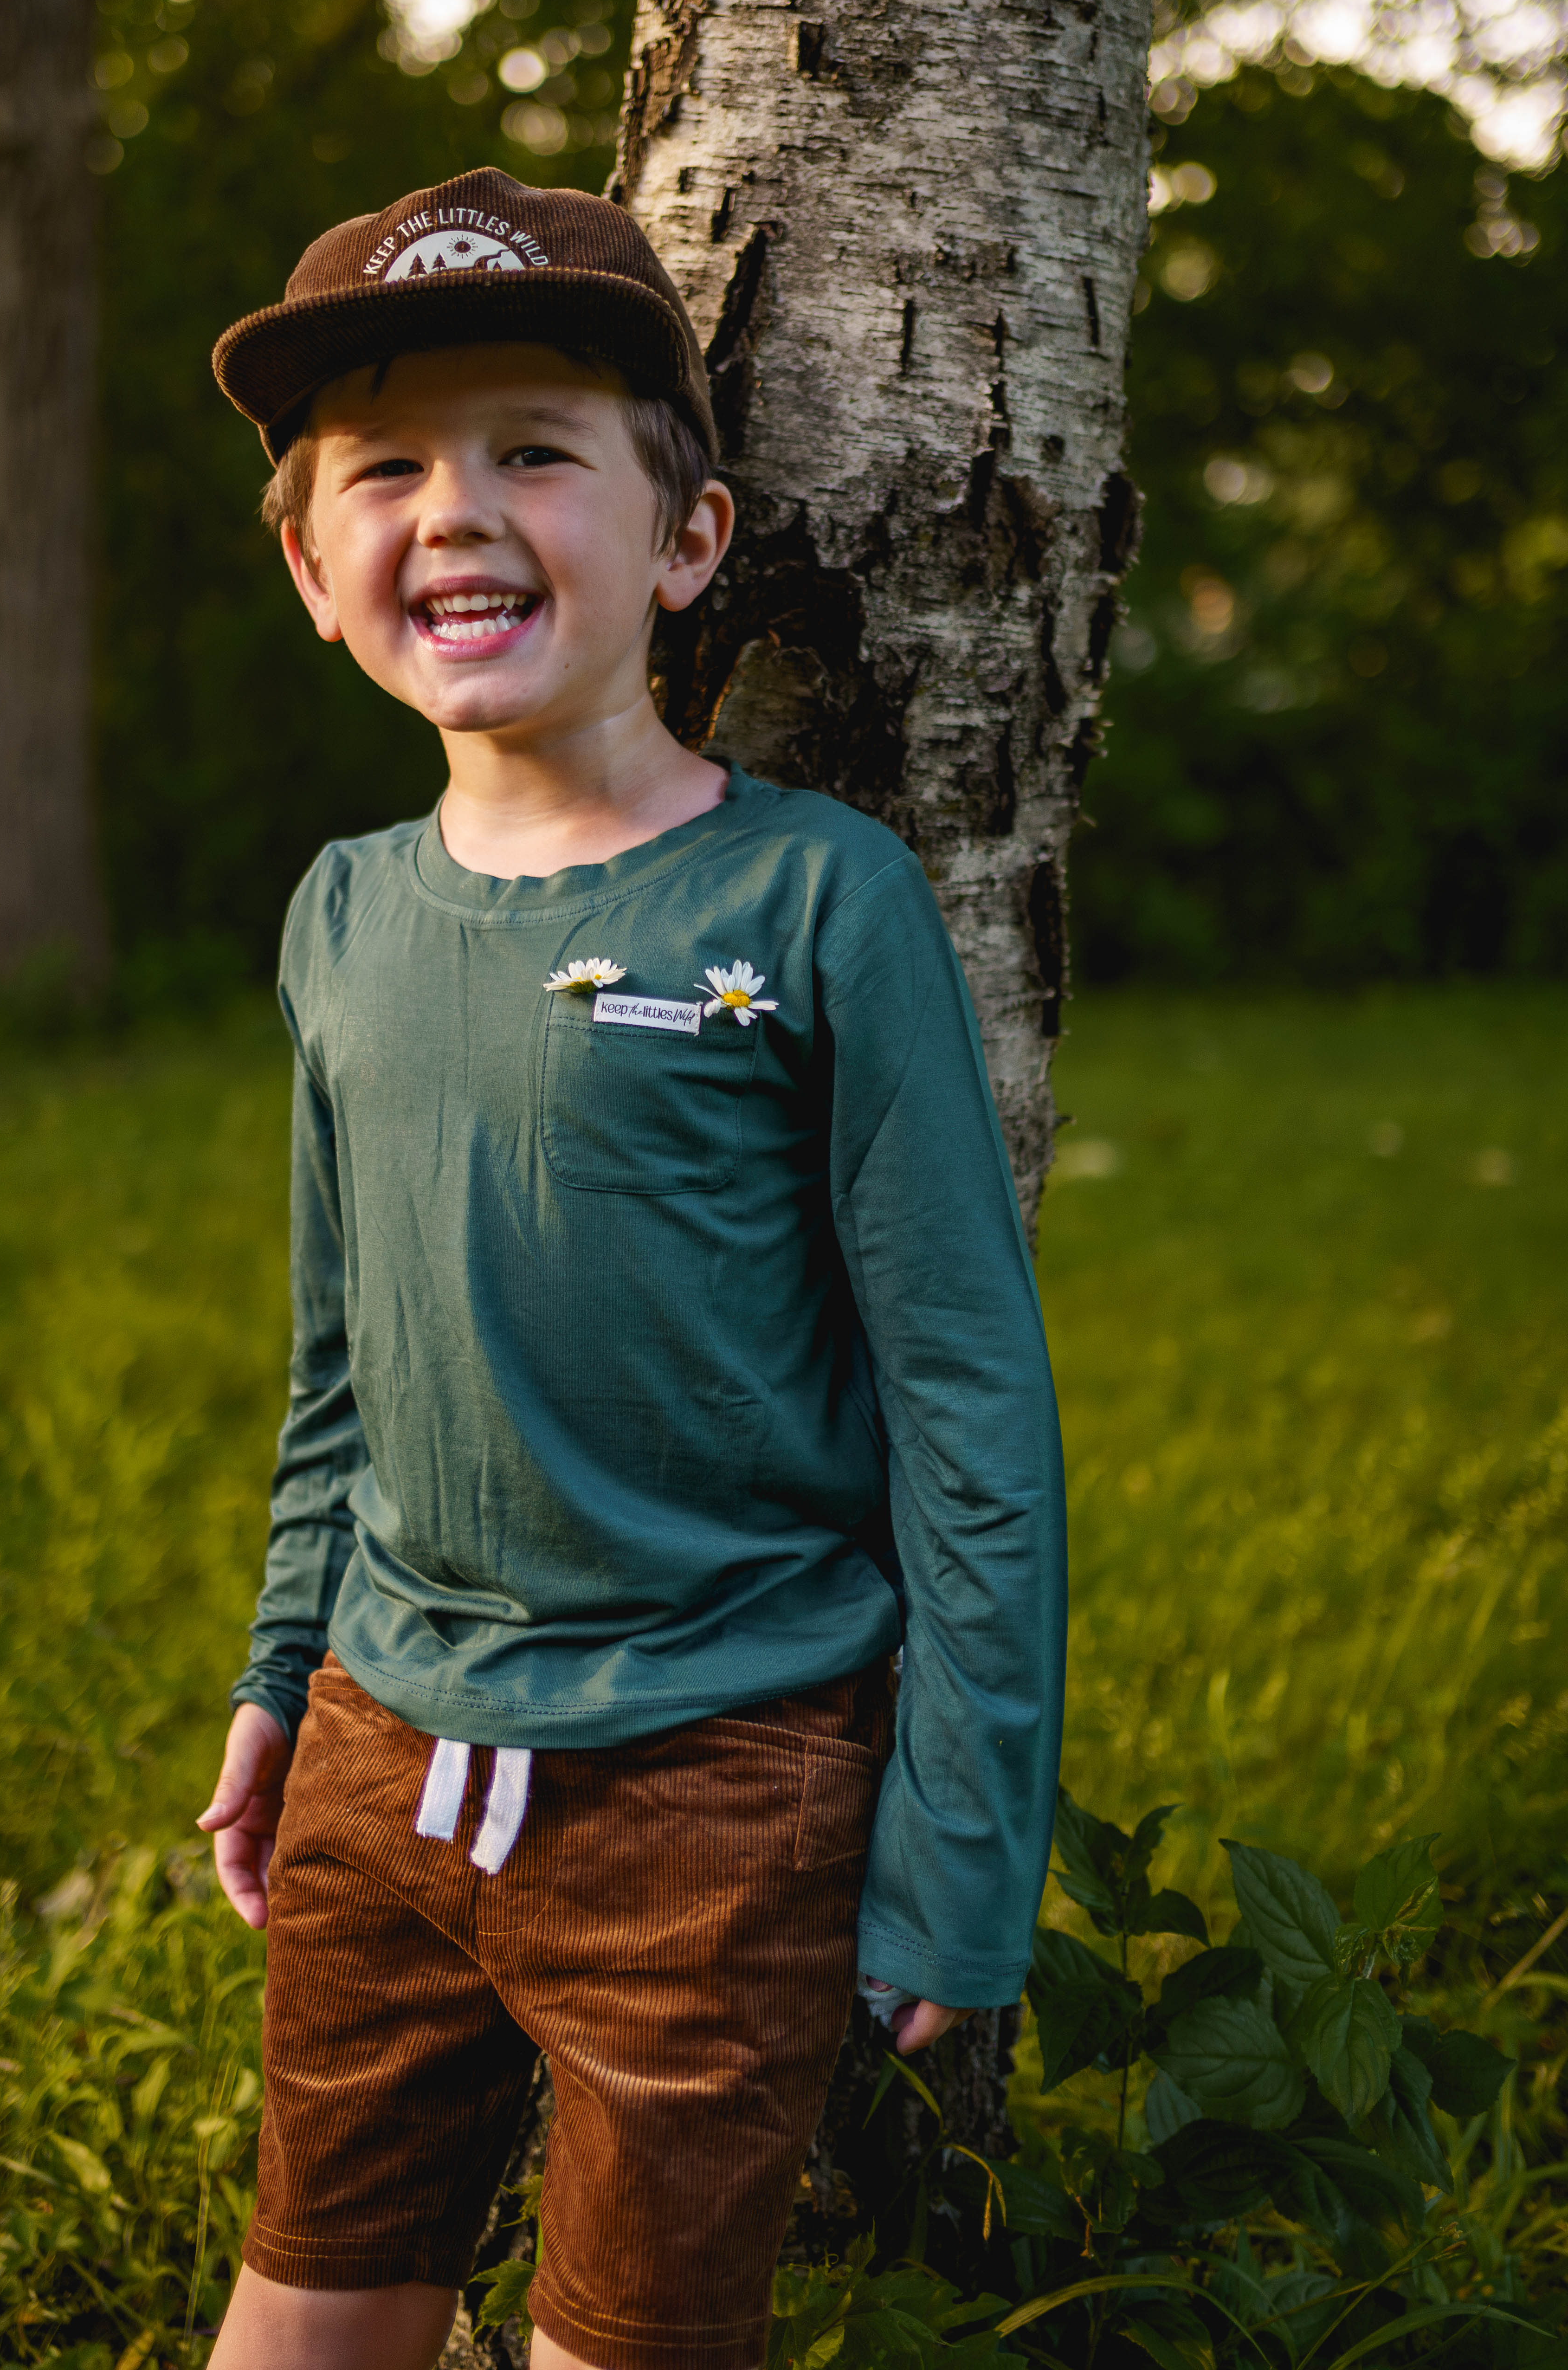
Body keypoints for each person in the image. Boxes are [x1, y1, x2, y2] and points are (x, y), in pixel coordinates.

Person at [196, 166, 1065, 2370]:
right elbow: (338, 1363)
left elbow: (965, 1402)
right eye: (384, 469)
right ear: (312, 570)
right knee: (303, 2307)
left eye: (534, 455)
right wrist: (284, 1674)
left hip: (720, 1783)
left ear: (683, 542)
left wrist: (959, 1849)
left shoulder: (812, 899)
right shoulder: (338, 911)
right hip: (386, 1761)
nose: (456, 512)